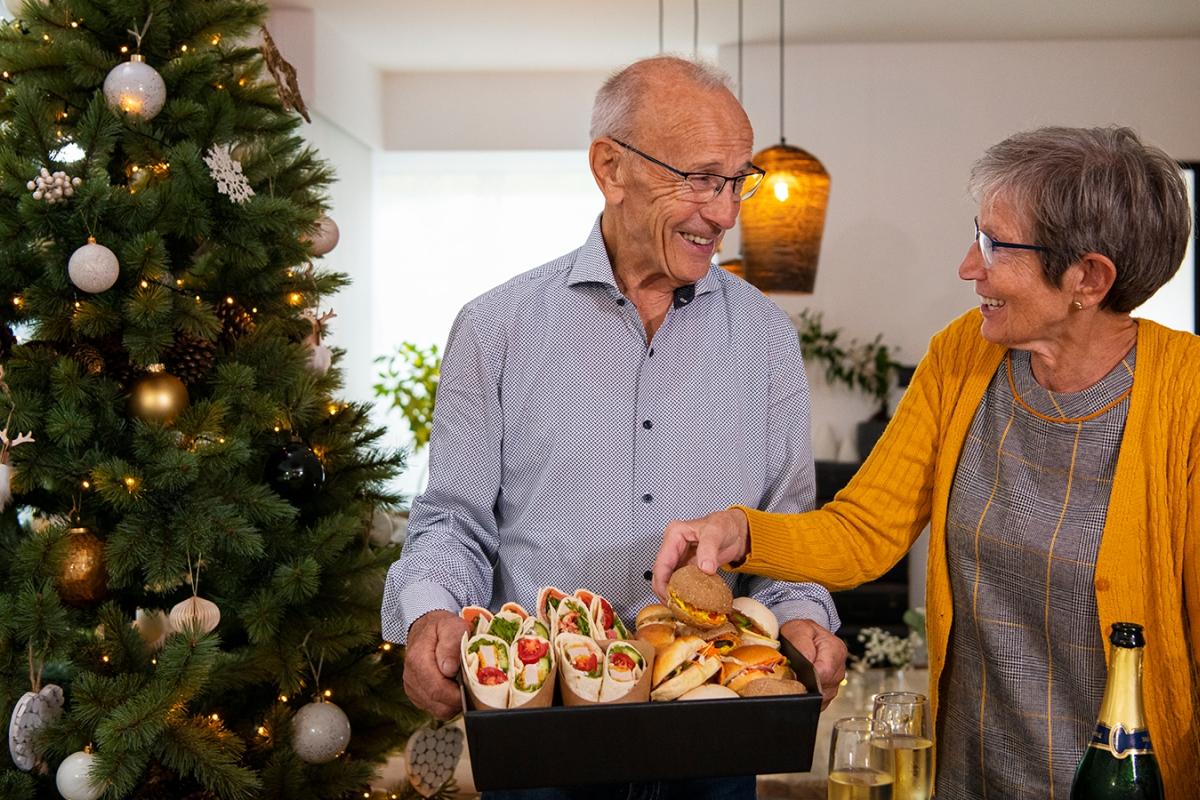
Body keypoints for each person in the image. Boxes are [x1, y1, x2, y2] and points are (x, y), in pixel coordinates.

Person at [653, 126, 1200, 799]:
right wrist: (740, 530)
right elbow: (864, 530)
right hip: (967, 781)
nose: (968, 267)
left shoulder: (1187, 400)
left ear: (1088, 278)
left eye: (995, 245)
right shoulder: (962, 356)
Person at [382, 56, 848, 799]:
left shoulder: (767, 340)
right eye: (701, 179)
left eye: (737, 182)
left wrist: (800, 619)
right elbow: (453, 522)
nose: (727, 214)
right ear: (610, 168)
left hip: (713, 733)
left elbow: (783, 534)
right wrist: (430, 612)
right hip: (544, 738)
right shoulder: (495, 328)